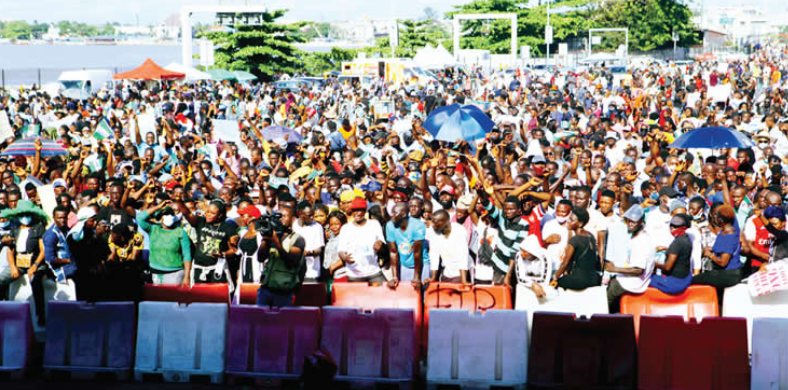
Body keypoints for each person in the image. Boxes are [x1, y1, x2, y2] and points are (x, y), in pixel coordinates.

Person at [3, 201, 49, 324]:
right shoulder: (15, 229)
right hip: (19, 263)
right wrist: (13, 267)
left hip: (35, 262)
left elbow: (43, 250)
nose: (25, 217)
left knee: (36, 281)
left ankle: (41, 314)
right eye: (23, 214)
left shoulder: (38, 228)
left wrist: (35, 265)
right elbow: (10, 251)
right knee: (2, 279)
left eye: (28, 214)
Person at [175, 199, 238, 285]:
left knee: (217, 296)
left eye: (212, 213)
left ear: (220, 215)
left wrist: (222, 254)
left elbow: (234, 251)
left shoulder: (227, 228)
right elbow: (188, 213)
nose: (207, 214)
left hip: (217, 269)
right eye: (207, 211)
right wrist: (177, 200)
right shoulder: (201, 222)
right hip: (199, 268)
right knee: (200, 296)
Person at [605, 205, 655, 313]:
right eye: (628, 221)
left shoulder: (641, 241)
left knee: (604, 300)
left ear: (641, 222)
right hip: (630, 279)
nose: (630, 224)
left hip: (634, 283)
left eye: (634, 222)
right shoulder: (637, 237)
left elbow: (638, 270)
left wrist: (614, 269)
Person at [257, 205, 306, 307]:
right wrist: (266, 239)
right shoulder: (272, 236)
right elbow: (260, 258)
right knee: (261, 320)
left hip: (284, 292)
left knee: (282, 322)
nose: (281, 219)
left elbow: (291, 261)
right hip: (266, 289)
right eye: (278, 216)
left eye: (284, 216)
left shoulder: (298, 239)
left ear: (293, 219)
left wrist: (276, 242)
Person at [137, 200, 192, 286]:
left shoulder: (180, 232)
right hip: (155, 274)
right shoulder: (153, 229)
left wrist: (187, 277)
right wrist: (158, 207)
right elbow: (140, 217)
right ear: (161, 218)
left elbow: (187, 255)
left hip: (175, 274)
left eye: (171, 214)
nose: (169, 217)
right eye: (166, 214)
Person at [692, 205, 743, 292]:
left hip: (729, 274)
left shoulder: (728, 235)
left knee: (693, 281)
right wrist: (711, 249)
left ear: (720, 220)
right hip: (723, 272)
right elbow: (722, 249)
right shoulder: (722, 232)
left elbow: (723, 262)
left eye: (716, 216)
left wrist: (709, 255)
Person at [337, 198, 386, 284]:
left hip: (373, 271)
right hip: (354, 274)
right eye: (354, 210)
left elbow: (382, 245)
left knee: (383, 294)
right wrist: (344, 257)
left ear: (365, 211)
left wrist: (380, 246)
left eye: (359, 210)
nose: (356, 213)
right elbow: (341, 250)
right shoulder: (346, 228)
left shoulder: (374, 224)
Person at [552, 206, 602, 290]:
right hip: (593, 279)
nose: (568, 221)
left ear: (580, 224)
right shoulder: (591, 236)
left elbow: (565, 263)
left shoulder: (575, 240)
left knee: (554, 283)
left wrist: (555, 278)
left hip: (580, 280)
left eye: (571, 220)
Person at [386, 202, 428, 288]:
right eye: (392, 213)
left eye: (395, 213)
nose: (392, 215)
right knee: (406, 292)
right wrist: (394, 276)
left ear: (404, 215)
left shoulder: (418, 226)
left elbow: (417, 253)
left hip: (421, 264)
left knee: (421, 292)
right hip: (404, 265)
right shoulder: (390, 226)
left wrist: (417, 277)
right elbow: (393, 252)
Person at [650, 214, 694, 294]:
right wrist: (665, 248)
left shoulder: (677, 243)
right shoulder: (686, 238)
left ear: (683, 228)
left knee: (645, 280)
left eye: (675, 227)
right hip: (685, 279)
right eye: (671, 226)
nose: (672, 228)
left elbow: (667, 267)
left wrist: (654, 263)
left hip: (675, 283)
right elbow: (680, 252)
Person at [426, 210, 470, 284]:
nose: (433, 225)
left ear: (445, 222)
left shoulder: (459, 231)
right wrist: (433, 277)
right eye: (432, 221)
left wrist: (464, 281)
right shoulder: (434, 232)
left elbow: (463, 256)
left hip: (460, 275)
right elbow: (434, 255)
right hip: (446, 274)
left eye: (435, 222)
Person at [293, 201, 325, 283]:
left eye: (312, 214)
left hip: (311, 273)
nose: (312, 217)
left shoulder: (317, 227)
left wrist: (310, 252)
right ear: (300, 214)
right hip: (294, 272)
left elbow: (319, 249)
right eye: (309, 215)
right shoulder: (293, 226)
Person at [235, 205, 265, 284]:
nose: (240, 219)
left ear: (252, 218)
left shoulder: (260, 235)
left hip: (256, 270)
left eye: (243, 216)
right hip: (243, 270)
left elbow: (264, 257)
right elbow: (239, 253)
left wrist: (263, 276)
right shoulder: (243, 233)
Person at [323, 211, 348, 283]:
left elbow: (347, 256)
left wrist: (332, 268)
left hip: (342, 274)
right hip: (331, 275)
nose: (333, 227)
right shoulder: (331, 236)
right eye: (331, 225)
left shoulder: (346, 237)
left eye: (336, 224)